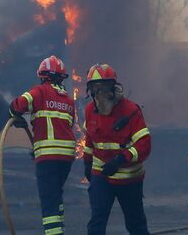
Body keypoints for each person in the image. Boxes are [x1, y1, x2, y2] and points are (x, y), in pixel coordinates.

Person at [82, 63, 152, 235]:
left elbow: (144, 144)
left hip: (129, 179)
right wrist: (87, 162)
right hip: (101, 175)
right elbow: (90, 139)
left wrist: (121, 159)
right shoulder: (90, 110)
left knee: (136, 224)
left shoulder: (130, 110)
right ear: (89, 89)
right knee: (96, 223)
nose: (99, 92)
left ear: (113, 87)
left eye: (103, 86)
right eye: (94, 87)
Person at [10, 55, 76, 235]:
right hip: (67, 157)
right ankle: (59, 230)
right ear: (61, 78)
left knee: (48, 202)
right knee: (56, 195)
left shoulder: (39, 92)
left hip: (48, 158)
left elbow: (18, 105)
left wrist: (13, 113)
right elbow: (67, 126)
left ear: (42, 76)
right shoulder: (69, 101)